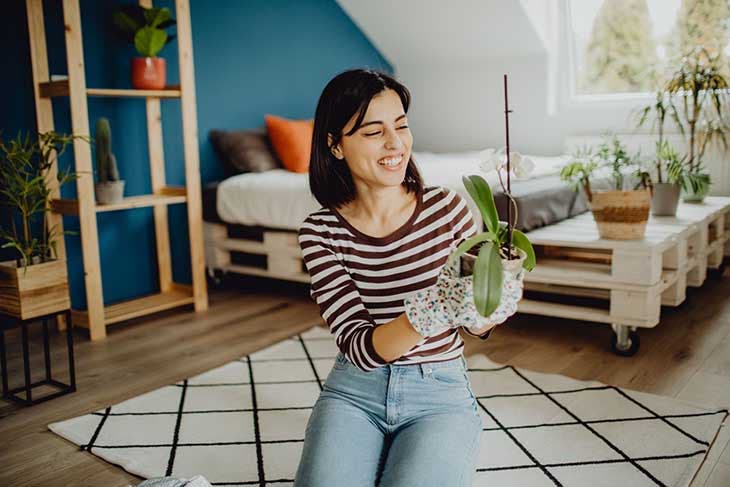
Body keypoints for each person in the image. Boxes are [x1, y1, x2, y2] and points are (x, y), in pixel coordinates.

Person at [294, 69, 497, 487]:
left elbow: (477, 324)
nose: (395, 144)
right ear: (335, 145)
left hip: (439, 392)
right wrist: (432, 308)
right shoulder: (320, 232)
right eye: (373, 132)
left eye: (401, 126)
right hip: (355, 391)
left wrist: (495, 296)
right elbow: (361, 348)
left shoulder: (448, 209)